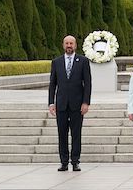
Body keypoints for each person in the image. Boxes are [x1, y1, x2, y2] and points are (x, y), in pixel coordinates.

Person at [48, 35, 92, 172]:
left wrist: (86, 102)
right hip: (61, 104)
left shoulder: (83, 61)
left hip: (77, 105)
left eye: (71, 43)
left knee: (76, 134)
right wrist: (51, 103)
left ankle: (75, 161)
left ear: (75, 45)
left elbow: (88, 83)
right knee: (62, 134)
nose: (69, 45)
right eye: (66, 43)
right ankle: (64, 162)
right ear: (63, 45)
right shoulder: (56, 62)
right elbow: (52, 84)